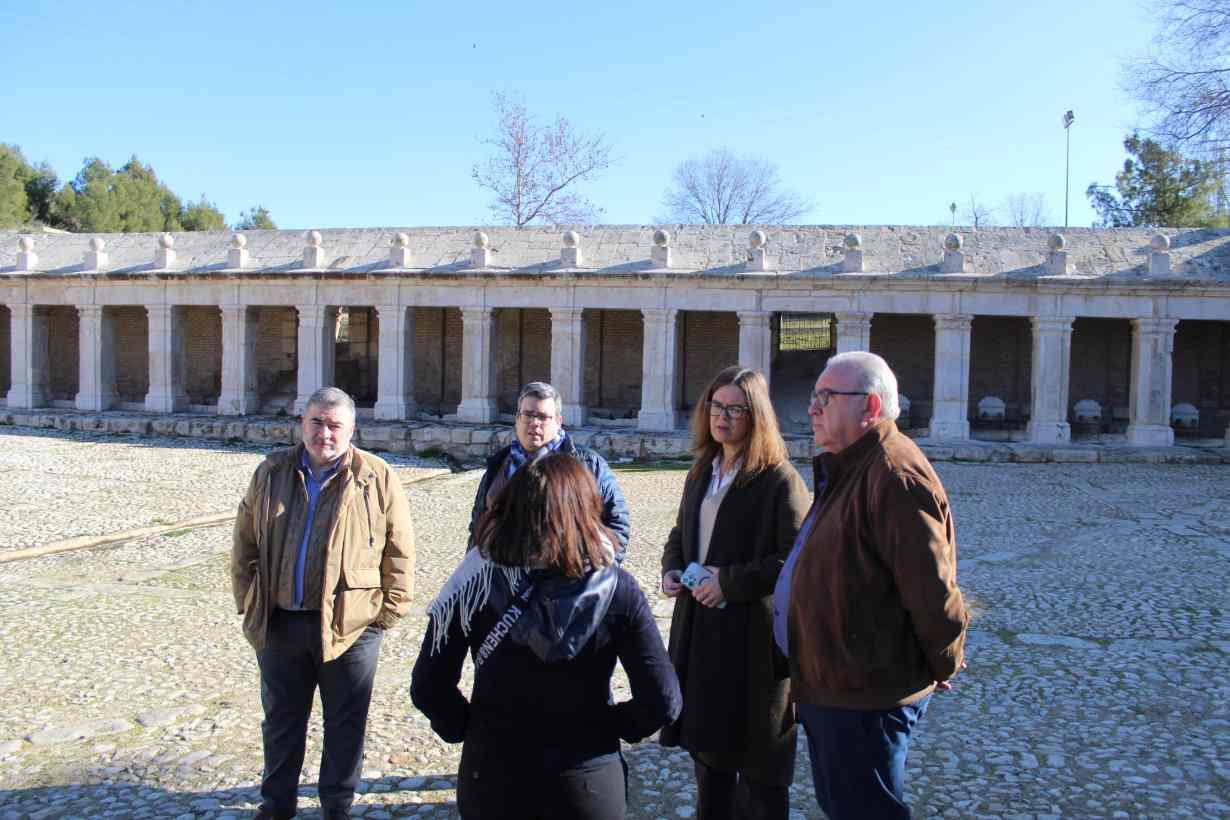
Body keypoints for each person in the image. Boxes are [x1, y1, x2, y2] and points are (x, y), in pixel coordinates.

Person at [412, 453, 681, 820]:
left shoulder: (473, 583)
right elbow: (663, 699)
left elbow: (428, 684)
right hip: (586, 777)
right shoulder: (619, 590)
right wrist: (612, 726)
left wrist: (465, 727)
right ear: (587, 509)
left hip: (493, 769)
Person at [774, 351, 969, 820]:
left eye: (827, 397)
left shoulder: (892, 475)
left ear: (872, 408)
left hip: (864, 692)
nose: (813, 408)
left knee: (865, 810)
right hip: (835, 682)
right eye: (814, 396)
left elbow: (932, 590)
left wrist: (944, 662)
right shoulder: (851, 466)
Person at [231, 387, 415, 820]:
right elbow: (244, 542)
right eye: (317, 422)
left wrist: (384, 615)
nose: (325, 434)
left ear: (352, 430)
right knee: (280, 723)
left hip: (351, 627)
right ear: (303, 423)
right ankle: (276, 806)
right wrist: (249, 602)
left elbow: (399, 549)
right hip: (280, 623)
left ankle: (337, 807)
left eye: (335, 426)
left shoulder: (378, 476)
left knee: (345, 725)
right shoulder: (272, 471)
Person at [659, 366, 811, 820]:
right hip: (703, 635)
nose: (722, 417)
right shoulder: (704, 469)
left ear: (756, 416)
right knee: (710, 760)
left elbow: (796, 559)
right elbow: (682, 531)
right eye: (715, 406)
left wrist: (727, 581)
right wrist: (671, 567)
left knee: (761, 769)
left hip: (755, 646)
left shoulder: (779, 480)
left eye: (735, 409)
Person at [469, 381, 630, 559]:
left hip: (568, 578)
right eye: (528, 415)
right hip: (504, 578)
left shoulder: (589, 465)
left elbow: (618, 523)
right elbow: (478, 524)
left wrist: (600, 576)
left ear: (559, 421)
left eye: (543, 417)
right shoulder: (499, 464)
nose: (534, 423)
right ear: (517, 418)